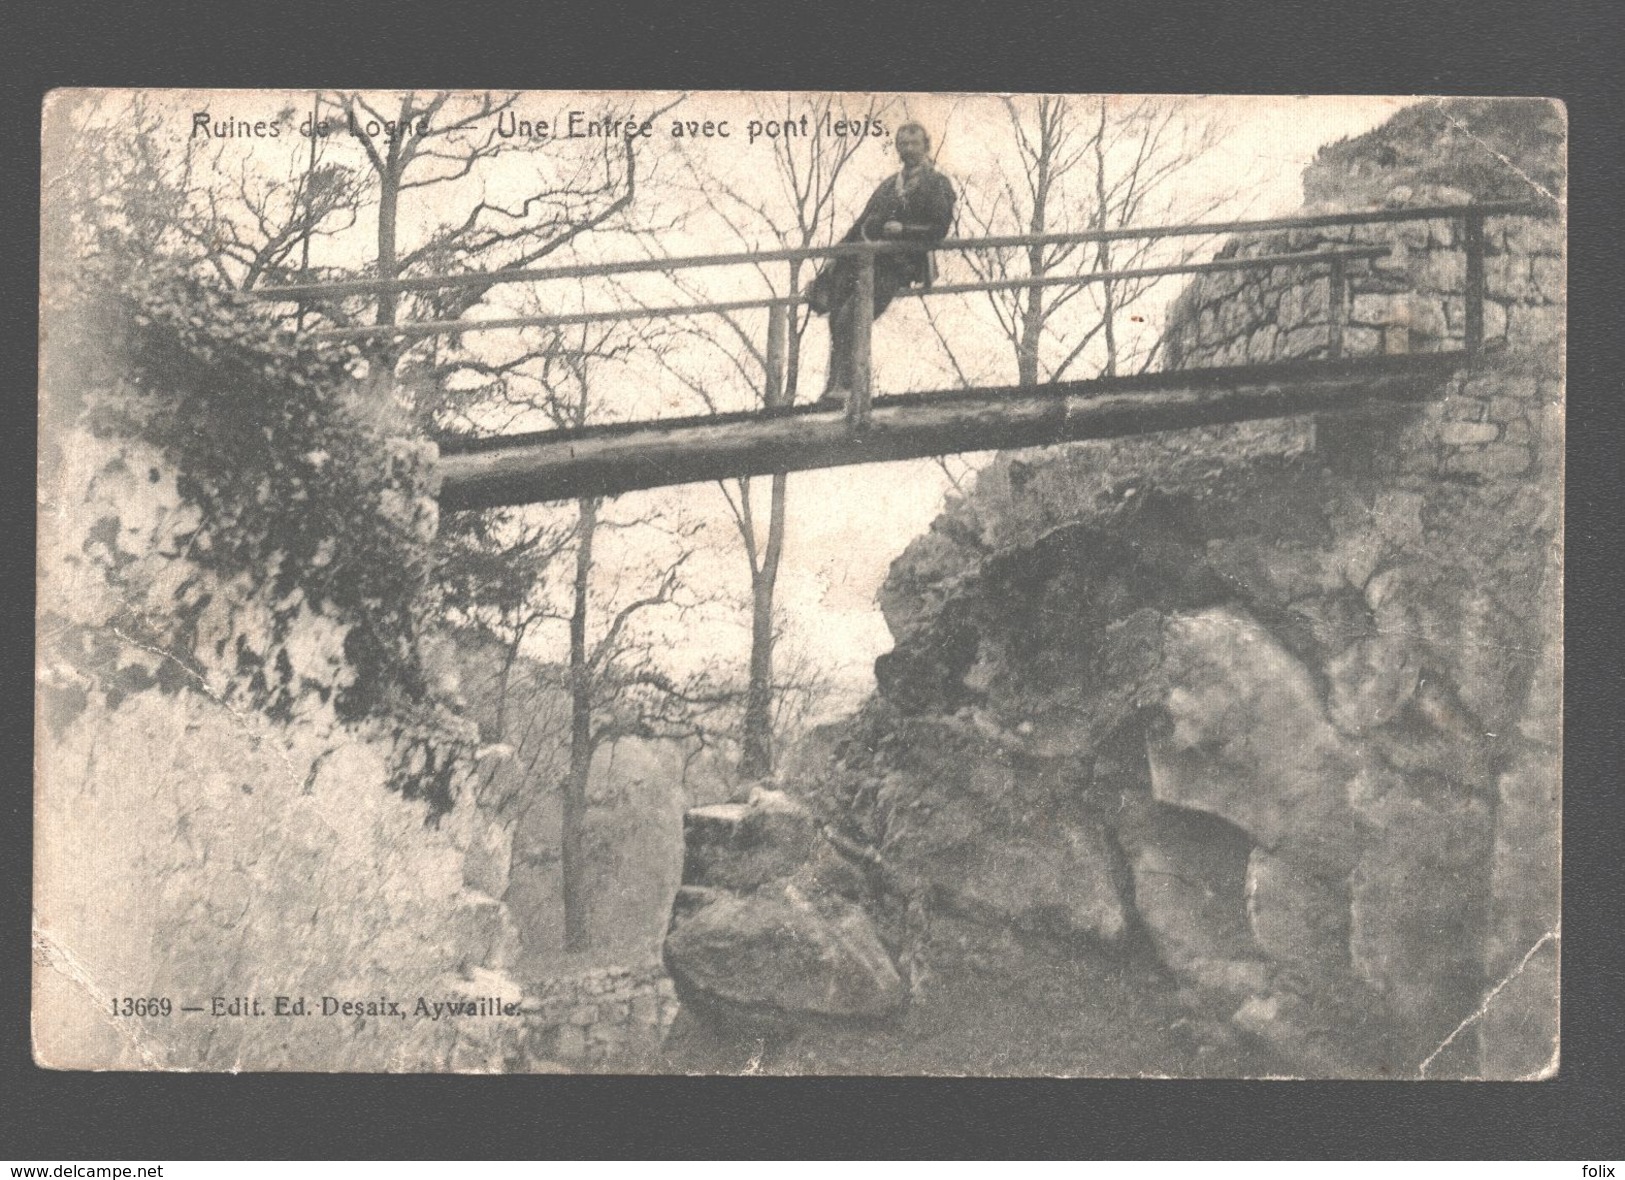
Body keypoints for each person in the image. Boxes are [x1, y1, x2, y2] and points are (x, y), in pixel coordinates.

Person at [808, 123, 956, 404]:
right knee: (838, 308)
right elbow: (862, 222)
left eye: (914, 144)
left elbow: (939, 228)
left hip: (900, 264)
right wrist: (836, 255)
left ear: (926, 145)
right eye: (903, 144)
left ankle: (852, 388)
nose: (908, 149)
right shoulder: (890, 184)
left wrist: (905, 230)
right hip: (867, 259)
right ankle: (836, 386)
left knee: (853, 315)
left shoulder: (937, 184)